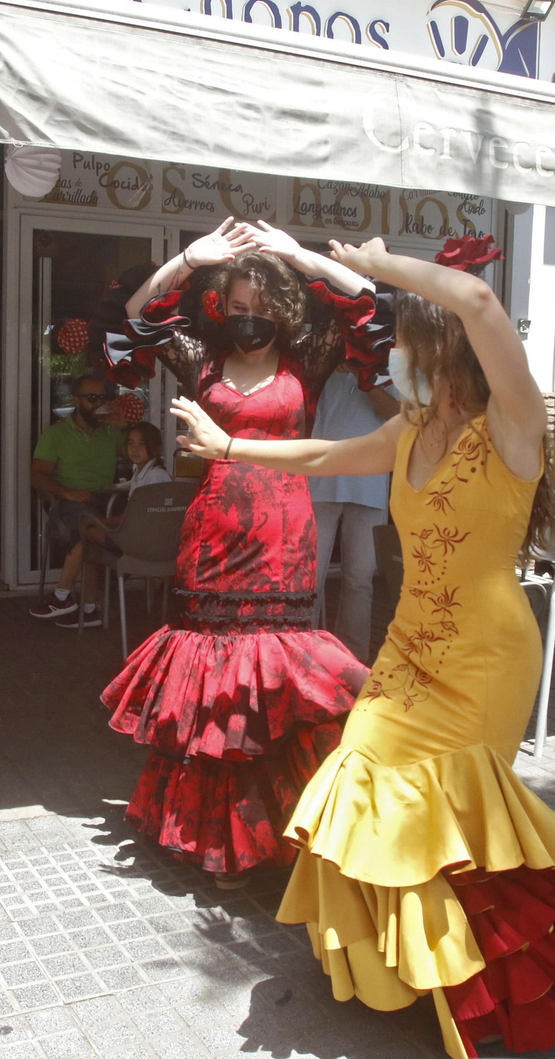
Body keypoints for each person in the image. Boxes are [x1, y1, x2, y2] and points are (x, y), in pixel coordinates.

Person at [172, 233, 555, 1057]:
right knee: (362, 778)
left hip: (486, 658)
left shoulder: (513, 427)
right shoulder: (412, 427)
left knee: (449, 823)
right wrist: (230, 446)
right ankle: (407, 966)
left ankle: (491, 984)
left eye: (405, 344)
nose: (393, 362)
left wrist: (374, 268)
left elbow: (483, 302)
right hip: (408, 651)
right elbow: (320, 453)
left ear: (442, 345)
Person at [100, 217, 387, 888]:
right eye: (236, 308)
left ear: (281, 308)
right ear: (219, 308)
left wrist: (300, 255)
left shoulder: (309, 356)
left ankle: (289, 824)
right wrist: (183, 262)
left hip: (286, 533)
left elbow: (370, 306)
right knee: (219, 682)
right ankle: (216, 835)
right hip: (215, 531)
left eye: (260, 308)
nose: (249, 319)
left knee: (275, 676)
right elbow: (132, 326)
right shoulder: (199, 357)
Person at [310, 366, 400, 662]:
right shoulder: (322, 359)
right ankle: (301, 655)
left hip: (369, 482)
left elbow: (398, 415)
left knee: (360, 581)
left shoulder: (389, 366)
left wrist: (366, 377)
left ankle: (352, 662)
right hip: (320, 480)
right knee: (310, 577)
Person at [28, 373, 124, 627]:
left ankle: (88, 608)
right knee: (87, 525)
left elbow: (141, 455)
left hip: (105, 499)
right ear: (76, 401)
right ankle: (64, 595)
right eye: (91, 398)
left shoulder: (110, 433)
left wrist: (122, 426)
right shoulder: (57, 434)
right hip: (69, 502)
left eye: (102, 398)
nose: (98, 403)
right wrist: (65, 492)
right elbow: (36, 476)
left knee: (134, 516)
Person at [55, 421, 174, 598]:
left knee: (86, 534)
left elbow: (138, 517)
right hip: (143, 539)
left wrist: (101, 522)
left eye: (141, 443)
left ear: (155, 447)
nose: (135, 449)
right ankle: (91, 600)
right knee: (91, 540)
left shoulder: (155, 476)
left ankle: (69, 597)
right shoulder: (144, 472)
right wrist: (117, 487)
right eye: (131, 443)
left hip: (144, 544)